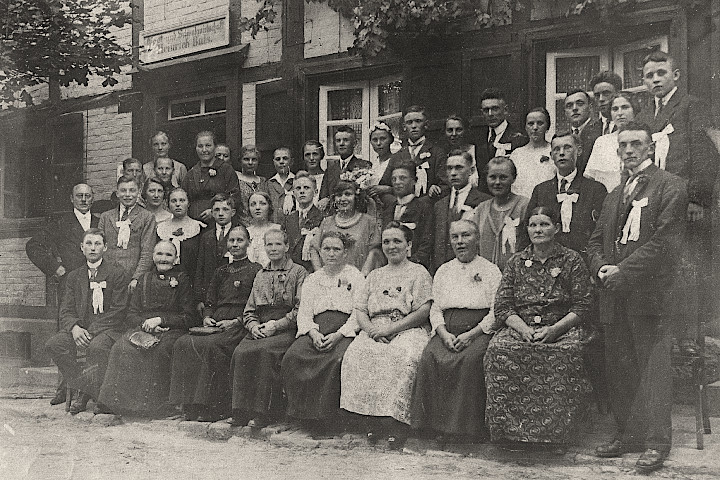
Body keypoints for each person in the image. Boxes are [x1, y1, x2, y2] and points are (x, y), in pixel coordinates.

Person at [588, 122, 688, 473]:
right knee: (620, 367)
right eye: (624, 145)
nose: (629, 150)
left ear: (650, 148)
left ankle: (657, 443)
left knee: (653, 369)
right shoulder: (614, 194)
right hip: (614, 296)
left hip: (650, 295)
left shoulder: (670, 186)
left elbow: (665, 243)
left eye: (636, 144)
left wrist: (623, 271)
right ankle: (627, 434)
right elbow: (595, 239)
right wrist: (601, 266)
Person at [485, 207, 593, 449]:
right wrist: (522, 329)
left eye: (544, 224)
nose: (538, 230)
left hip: (561, 327)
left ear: (556, 228)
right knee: (499, 350)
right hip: (521, 326)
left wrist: (554, 330)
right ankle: (509, 435)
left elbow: (584, 305)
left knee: (566, 353)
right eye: (533, 225)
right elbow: (502, 305)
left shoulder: (572, 260)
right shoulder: (516, 262)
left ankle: (557, 437)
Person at [635, 50, 719, 357]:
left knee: (687, 266)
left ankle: (689, 336)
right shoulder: (644, 115)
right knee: (657, 265)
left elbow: (705, 153)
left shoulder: (691, 106)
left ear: (676, 76)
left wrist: (697, 198)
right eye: (649, 75)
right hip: (654, 200)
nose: (655, 79)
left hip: (684, 198)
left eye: (661, 73)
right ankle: (661, 334)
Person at [340, 222, 432, 450]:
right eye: (387, 242)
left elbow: (423, 310)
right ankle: (374, 419)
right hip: (374, 329)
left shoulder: (418, 272)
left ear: (409, 245)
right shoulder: (374, 275)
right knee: (358, 353)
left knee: (403, 356)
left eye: (397, 241)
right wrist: (371, 330)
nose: (391, 246)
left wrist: (392, 329)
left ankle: (397, 424)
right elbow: (360, 308)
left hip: (406, 327)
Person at [412, 220, 502, 443]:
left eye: (466, 236)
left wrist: (472, 334)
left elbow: (497, 310)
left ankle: (465, 430)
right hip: (447, 329)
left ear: (477, 238)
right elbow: (435, 307)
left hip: (478, 330)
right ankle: (434, 426)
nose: (460, 242)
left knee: (470, 361)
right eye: (455, 237)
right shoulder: (444, 270)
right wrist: (442, 333)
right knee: (430, 357)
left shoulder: (490, 270)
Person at [169, 226, 262, 421]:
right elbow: (210, 300)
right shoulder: (221, 271)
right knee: (183, 343)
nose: (235, 244)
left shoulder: (256, 270)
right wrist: (207, 317)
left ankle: (213, 406)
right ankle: (189, 404)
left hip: (239, 323)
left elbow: (255, 305)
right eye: (232, 241)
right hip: (217, 321)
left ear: (248, 243)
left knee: (212, 346)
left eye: (240, 240)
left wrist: (236, 321)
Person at [97, 241, 197, 415]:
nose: (163, 259)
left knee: (160, 350)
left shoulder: (182, 279)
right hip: (143, 327)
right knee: (121, 348)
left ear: (176, 258)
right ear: (153, 256)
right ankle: (116, 403)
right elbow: (131, 314)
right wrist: (147, 324)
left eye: (168, 255)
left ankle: (154, 407)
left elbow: (189, 316)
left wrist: (161, 320)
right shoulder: (143, 279)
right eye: (159, 254)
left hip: (171, 330)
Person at [280, 232, 366, 433]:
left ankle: (328, 419)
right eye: (327, 249)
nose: (331, 254)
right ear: (320, 252)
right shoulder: (312, 279)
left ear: (345, 252)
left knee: (336, 360)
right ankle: (303, 416)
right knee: (293, 356)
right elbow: (304, 313)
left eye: (337, 249)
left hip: (343, 329)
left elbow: (358, 312)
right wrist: (313, 333)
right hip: (317, 328)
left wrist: (340, 334)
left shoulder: (355, 276)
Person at [26, 183, 98, 405]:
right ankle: (65, 386)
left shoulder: (100, 221)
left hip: (97, 284)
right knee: (66, 333)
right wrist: (54, 268)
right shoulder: (60, 223)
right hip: (71, 286)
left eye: (87, 196)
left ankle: (82, 388)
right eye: (79, 196)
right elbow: (34, 245)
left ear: (93, 198)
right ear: (71, 198)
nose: (84, 200)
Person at [45, 229, 129, 414]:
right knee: (54, 344)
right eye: (89, 244)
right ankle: (83, 385)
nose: (93, 248)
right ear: (82, 248)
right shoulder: (74, 277)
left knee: (97, 348)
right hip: (80, 329)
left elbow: (119, 310)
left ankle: (86, 395)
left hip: (108, 328)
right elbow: (65, 310)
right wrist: (75, 328)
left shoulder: (117, 273)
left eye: (97, 243)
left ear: (105, 247)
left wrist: (90, 330)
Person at [231, 228, 308, 428]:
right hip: (261, 325)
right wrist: (253, 326)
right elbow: (249, 309)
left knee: (265, 352)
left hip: (286, 326)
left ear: (287, 246)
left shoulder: (298, 272)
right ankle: (240, 410)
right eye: (269, 245)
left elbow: (301, 308)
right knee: (241, 352)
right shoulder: (260, 274)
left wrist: (277, 325)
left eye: (277, 244)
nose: (273, 249)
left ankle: (263, 413)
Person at [522, 131, 607, 260]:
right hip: (548, 261)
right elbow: (527, 230)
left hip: (585, 260)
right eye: (556, 149)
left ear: (578, 151)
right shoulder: (541, 190)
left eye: (567, 148)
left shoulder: (595, 189)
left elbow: (602, 233)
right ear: (551, 155)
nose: (561, 153)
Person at [466, 157, 529, 270]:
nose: (497, 182)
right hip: (486, 277)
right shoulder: (482, 209)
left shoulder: (524, 205)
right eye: (492, 177)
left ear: (513, 178)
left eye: (503, 177)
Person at [432, 150, 490, 272]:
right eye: (449, 168)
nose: (453, 173)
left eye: (459, 168)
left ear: (471, 170)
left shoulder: (484, 202)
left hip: (474, 269)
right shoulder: (439, 205)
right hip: (445, 271)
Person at [98, 175, 156, 293]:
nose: (128, 194)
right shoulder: (106, 217)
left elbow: (147, 251)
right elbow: (99, 247)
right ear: (117, 193)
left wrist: (136, 278)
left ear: (139, 192)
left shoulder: (147, 217)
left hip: (131, 278)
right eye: (123, 190)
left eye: (132, 190)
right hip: (108, 277)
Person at [311, 180, 381, 276]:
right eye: (339, 195)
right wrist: (320, 274)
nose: (343, 199)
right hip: (330, 281)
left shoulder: (368, 222)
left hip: (358, 280)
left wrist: (362, 277)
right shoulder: (327, 222)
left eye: (348, 194)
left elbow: (374, 251)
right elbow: (314, 248)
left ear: (356, 197)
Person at [380, 105, 448, 199]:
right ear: (404, 127)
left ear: (426, 124)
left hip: (428, 207)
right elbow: (385, 186)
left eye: (418, 121)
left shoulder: (437, 153)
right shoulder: (396, 156)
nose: (414, 126)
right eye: (409, 122)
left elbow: (446, 185)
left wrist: (436, 189)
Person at [381, 162, 434, 271]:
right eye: (394, 179)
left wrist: (410, 266)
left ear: (414, 180)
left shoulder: (423, 208)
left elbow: (427, 243)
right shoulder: (389, 209)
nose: (397, 182)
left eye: (402, 178)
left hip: (414, 268)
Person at [585, 93, 643, 191]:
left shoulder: (643, 139)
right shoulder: (602, 142)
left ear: (634, 110)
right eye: (615, 109)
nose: (619, 113)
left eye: (625, 107)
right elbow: (590, 178)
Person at [475, 88, 528, 193]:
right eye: (486, 110)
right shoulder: (478, 137)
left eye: (495, 109)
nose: (490, 114)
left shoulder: (519, 139)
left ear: (505, 110)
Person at [181, 131, 240, 224]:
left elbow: (234, 197)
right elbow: (183, 198)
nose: (204, 150)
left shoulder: (226, 170)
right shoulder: (191, 174)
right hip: (194, 223)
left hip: (220, 222)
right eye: (200, 146)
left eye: (208, 145)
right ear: (196, 148)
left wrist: (214, 212)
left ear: (215, 147)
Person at [194, 194, 238, 312]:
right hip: (209, 294)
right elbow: (200, 268)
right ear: (212, 213)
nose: (221, 213)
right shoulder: (206, 236)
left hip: (232, 293)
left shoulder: (238, 234)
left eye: (225, 209)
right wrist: (199, 299)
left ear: (233, 212)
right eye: (217, 210)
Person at [156, 188, 203, 277]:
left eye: (182, 200)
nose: (178, 204)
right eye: (174, 201)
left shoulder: (199, 227)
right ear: (168, 204)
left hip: (192, 277)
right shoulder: (160, 228)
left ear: (188, 204)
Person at [280, 172, 323, 272]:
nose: (302, 191)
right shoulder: (289, 218)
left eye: (306, 188)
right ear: (294, 193)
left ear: (315, 192)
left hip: (311, 271)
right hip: (290, 272)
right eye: (298, 188)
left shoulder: (322, 217)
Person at [320, 127, 371, 209]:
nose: (341, 143)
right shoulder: (330, 170)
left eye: (346, 140)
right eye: (338, 141)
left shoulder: (363, 166)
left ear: (354, 143)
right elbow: (322, 198)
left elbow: (365, 197)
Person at [510, 107, 556, 198]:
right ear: (525, 127)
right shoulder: (517, 154)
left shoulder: (554, 150)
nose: (535, 127)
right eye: (531, 124)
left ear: (547, 126)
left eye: (540, 123)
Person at [563, 89, 602, 175]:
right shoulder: (563, 137)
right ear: (565, 112)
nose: (574, 108)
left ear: (590, 107)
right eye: (569, 106)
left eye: (580, 104)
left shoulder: (600, 132)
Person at [233, 145, 268, 223]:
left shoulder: (263, 181)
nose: (250, 162)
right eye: (246, 159)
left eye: (254, 159)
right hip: (241, 224)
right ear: (240, 161)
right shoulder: (235, 179)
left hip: (261, 223)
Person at [366, 122, 396, 209]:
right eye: (375, 140)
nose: (379, 143)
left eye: (383, 139)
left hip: (390, 207)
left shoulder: (397, 160)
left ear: (390, 140)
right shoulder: (372, 165)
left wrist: (388, 189)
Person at [246, 191, 281, 266]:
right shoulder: (246, 232)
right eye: (253, 204)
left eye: (262, 204)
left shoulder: (277, 229)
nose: (257, 208)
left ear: (269, 206)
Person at [266, 147, 297, 224]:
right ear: (273, 162)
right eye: (278, 159)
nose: (281, 162)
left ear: (292, 161)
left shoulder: (297, 181)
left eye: (285, 158)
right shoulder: (269, 184)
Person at [589, 71, 623, 136]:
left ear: (618, 94)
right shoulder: (590, 130)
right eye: (597, 95)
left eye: (606, 93)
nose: (601, 99)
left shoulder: (628, 126)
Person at [301, 140, 326, 207]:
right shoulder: (300, 179)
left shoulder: (328, 178)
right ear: (303, 157)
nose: (311, 158)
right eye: (307, 154)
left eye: (315, 154)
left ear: (321, 155)